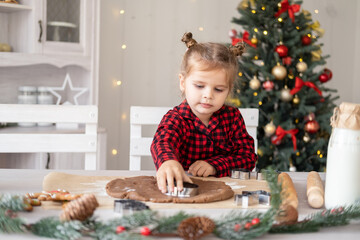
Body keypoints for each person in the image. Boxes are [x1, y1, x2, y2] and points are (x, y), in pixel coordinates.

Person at [151, 32, 257, 194]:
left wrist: (215, 165)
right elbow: (163, 142)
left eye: (219, 89)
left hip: (227, 192)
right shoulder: (176, 118)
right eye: (199, 86)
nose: (208, 95)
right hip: (184, 191)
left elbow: (247, 156)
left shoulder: (233, 117)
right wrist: (168, 161)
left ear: (228, 90)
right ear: (183, 82)